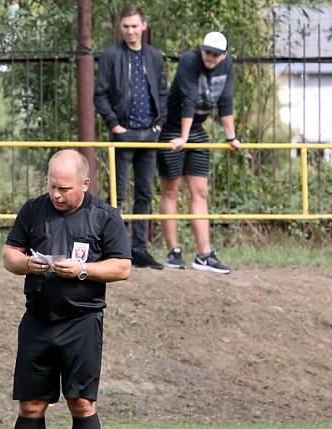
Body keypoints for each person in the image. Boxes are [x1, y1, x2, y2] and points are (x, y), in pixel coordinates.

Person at [0, 149, 131, 429]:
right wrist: (28, 264)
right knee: (31, 406)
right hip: (38, 322)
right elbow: (10, 255)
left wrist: (83, 270)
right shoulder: (32, 210)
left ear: (85, 184)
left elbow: (122, 267)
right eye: (53, 186)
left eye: (65, 188)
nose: (56, 194)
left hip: (82, 323)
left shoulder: (104, 216)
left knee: (83, 404)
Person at [157, 31, 241, 274]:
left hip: (197, 129)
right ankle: (173, 253)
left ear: (224, 55)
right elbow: (188, 99)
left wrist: (231, 137)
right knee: (171, 190)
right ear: (201, 49)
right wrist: (182, 137)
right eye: (207, 52)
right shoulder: (189, 60)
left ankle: (204, 255)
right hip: (173, 128)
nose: (211, 58)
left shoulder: (227, 66)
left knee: (200, 191)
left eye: (216, 54)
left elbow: (226, 100)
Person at [94, 4, 168, 270]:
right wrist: (114, 124)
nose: (130, 31)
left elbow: (162, 91)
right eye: (126, 26)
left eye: (134, 26)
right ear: (120, 28)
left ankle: (139, 249)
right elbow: (99, 94)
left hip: (150, 133)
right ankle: (112, 248)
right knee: (117, 192)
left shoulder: (154, 56)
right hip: (124, 132)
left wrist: (160, 123)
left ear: (143, 26)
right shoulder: (111, 55)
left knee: (145, 192)